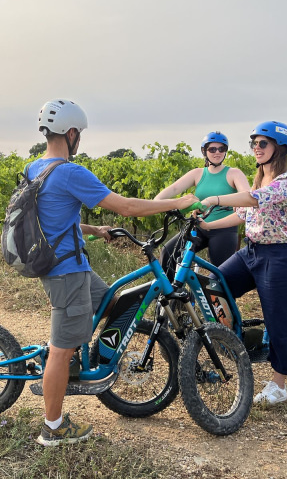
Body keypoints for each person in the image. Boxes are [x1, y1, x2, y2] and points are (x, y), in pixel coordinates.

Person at [30, 99, 197, 446]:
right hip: (66, 273)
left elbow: (56, 216)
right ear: (72, 133)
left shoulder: (37, 168)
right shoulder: (69, 172)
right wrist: (178, 203)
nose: (80, 141)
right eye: (80, 135)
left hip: (71, 267)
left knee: (111, 304)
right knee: (60, 348)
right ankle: (53, 427)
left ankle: (75, 360)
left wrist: (92, 230)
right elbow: (127, 206)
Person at [198, 121, 287, 406]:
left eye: (262, 143)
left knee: (279, 319)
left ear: (279, 148)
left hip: (282, 256)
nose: (256, 148)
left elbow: (253, 200)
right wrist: (207, 226)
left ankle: (279, 385)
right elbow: (242, 215)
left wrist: (216, 197)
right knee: (214, 285)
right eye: (253, 143)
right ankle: (234, 339)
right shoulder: (259, 179)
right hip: (252, 252)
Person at [154, 131, 250, 275]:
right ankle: (170, 294)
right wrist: (157, 202)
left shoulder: (234, 173)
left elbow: (247, 195)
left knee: (220, 272)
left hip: (224, 229)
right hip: (198, 226)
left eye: (221, 149)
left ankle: (218, 298)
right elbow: (174, 188)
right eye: (212, 149)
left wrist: (239, 201)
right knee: (168, 253)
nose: (217, 152)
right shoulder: (198, 173)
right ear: (204, 151)